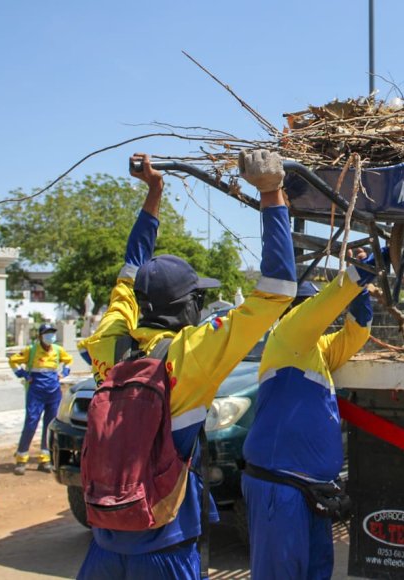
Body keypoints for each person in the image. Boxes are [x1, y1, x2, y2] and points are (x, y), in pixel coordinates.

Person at [77, 150, 297, 580]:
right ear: (191, 305)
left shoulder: (107, 342)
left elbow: (130, 270)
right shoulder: (192, 353)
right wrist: (271, 192)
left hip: (103, 539)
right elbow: (277, 290)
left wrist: (154, 193)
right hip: (165, 541)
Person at [241, 248, 379, 579]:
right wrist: (370, 265)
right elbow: (328, 302)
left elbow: (356, 333)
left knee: (317, 572)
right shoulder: (287, 334)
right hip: (281, 487)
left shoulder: (312, 349)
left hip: (312, 491)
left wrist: (359, 294)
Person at [9, 323, 73, 474]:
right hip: (36, 392)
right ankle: (21, 458)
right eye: (47, 333)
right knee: (31, 423)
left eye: (52, 333)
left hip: (53, 392)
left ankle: (45, 459)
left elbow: (69, 360)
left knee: (49, 425)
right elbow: (13, 361)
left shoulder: (57, 350)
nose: (50, 336)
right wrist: (23, 375)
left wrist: (63, 373)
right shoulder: (31, 350)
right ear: (40, 336)